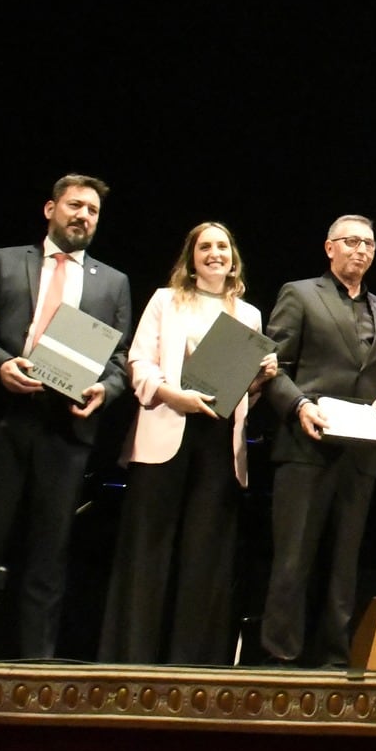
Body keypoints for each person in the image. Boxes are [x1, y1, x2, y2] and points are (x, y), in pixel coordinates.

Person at [0, 175, 132, 660]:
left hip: (66, 427)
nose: (83, 216)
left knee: (48, 556)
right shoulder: (4, 261)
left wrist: (104, 391)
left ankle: (36, 668)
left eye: (92, 210)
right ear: (50, 209)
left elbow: (119, 361)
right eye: (75, 206)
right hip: (4, 417)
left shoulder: (113, 282)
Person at [99, 222, 274, 665]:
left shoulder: (249, 315)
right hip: (167, 428)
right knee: (148, 554)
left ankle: (192, 665)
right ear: (191, 257)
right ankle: (132, 661)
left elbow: (242, 393)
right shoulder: (165, 300)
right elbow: (138, 361)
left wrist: (259, 379)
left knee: (204, 560)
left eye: (222, 246)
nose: (215, 253)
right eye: (205, 247)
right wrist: (170, 394)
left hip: (219, 443)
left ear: (233, 257)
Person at [256, 214, 376, 669]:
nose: (361, 250)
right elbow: (271, 367)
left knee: (343, 564)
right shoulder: (299, 294)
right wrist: (299, 407)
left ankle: (334, 662)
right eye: (352, 241)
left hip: (359, 455)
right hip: (306, 446)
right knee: (293, 560)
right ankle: (281, 658)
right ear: (329, 247)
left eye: (369, 244)